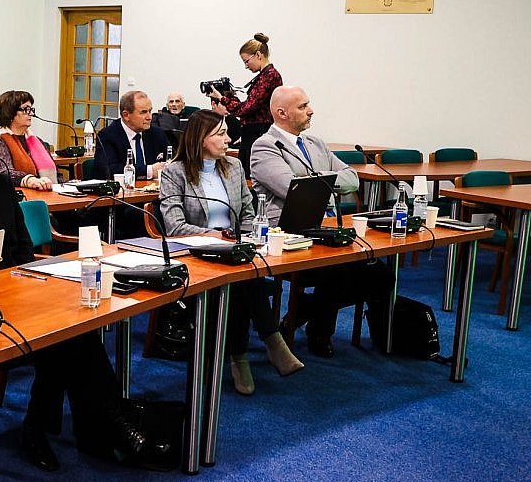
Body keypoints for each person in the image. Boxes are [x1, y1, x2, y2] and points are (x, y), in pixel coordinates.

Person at [0, 107, 156, 472]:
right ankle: (97, 424)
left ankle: (81, 424)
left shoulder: (2, 186)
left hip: (18, 294)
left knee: (75, 329)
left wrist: (24, 281)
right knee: (67, 341)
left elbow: (21, 248)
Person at [158, 110, 304, 394]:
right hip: (195, 253)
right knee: (244, 278)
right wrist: (210, 235)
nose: (228, 139)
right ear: (201, 140)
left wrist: (247, 236)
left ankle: (242, 356)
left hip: (234, 248)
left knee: (243, 274)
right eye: (221, 134)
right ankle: (265, 343)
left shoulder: (234, 167)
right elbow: (174, 226)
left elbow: (247, 212)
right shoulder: (175, 173)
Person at [250, 86, 393, 358]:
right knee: (336, 271)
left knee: (380, 274)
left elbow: (352, 179)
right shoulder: (265, 146)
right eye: (303, 106)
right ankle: (319, 331)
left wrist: (318, 180)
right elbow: (291, 189)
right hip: (288, 235)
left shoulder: (315, 143)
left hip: (326, 230)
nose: (311, 110)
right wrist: (326, 178)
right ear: (281, 113)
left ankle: (305, 308)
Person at [207, 33, 282, 177]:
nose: (246, 66)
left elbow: (245, 109)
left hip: (258, 132)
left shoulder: (269, 76)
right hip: (254, 132)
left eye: (246, 61)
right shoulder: (265, 76)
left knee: (249, 174)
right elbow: (248, 106)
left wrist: (222, 98)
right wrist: (228, 97)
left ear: (258, 55)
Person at [96, 90, 171, 180]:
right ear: (126, 115)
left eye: (150, 111)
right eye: (143, 112)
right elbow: (109, 170)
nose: (149, 117)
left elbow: (174, 160)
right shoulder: (107, 136)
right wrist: (149, 171)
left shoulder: (157, 133)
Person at [0, 90, 56, 190]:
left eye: (31, 109)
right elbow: (4, 171)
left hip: (46, 191)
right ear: (10, 112)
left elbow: (56, 175)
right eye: (25, 109)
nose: (31, 114)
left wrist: (69, 184)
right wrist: (29, 180)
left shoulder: (37, 141)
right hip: (17, 194)